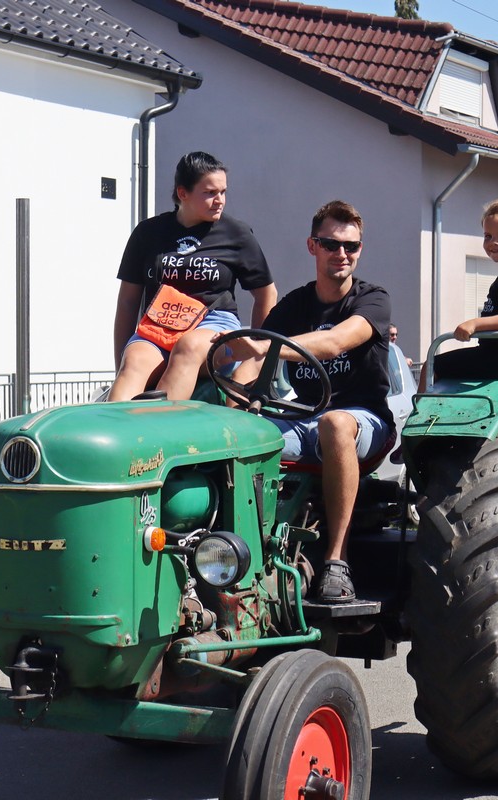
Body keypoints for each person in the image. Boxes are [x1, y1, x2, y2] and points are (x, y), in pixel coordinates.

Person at [227, 200, 392, 603]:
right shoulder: (295, 305)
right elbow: (254, 359)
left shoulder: (372, 299)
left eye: (351, 246)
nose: (341, 254)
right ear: (312, 246)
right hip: (305, 418)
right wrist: (233, 411)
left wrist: (266, 348)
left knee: (335, 423)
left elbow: (334, 342)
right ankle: (235, 554)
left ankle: (337, 560)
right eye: (331, 244)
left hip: (364, 420)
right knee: (239, 434)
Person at [108, 152, 277, 401]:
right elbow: (127, 301)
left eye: (223, 192)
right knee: (134, 359)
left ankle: (158, 423)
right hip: (160, 325)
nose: (220, 200)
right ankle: (116, 423)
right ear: (183, 193)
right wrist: (120, 362)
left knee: (188, 346)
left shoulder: (236, 233)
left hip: (215, 324)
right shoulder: (148, 233)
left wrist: (256, 356)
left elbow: (266, 293)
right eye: (210, 193)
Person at [421, 198, 498, 389]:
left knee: (431, 365)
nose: (494, 242)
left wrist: (475, 324)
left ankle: (421, 408)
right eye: (488, 236)